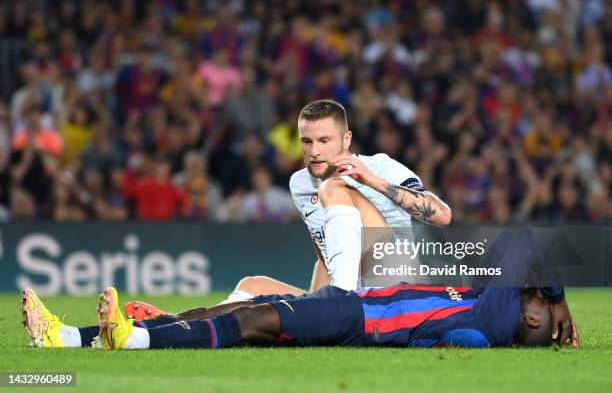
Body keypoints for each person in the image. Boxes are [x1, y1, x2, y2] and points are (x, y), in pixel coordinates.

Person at [21, 229, 579, 350]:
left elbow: (520, 242)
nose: (538, 293)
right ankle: (71, 337)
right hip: (355, 311)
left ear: (531, 318)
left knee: (254, 319)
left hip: (354, 318)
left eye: (541, 301)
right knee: (235, 306)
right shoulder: (490, 314)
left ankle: (133, 341)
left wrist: (561, 298)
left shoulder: (499, 313)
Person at [220, 99, 452, 303]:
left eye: (324, 140)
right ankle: (188, 327)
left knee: (333, 187)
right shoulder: (300, 183)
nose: (314, 151)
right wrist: (313, 306)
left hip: (396, 288)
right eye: (307, 141)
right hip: (351, 289)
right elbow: (326, 256)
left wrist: (374, 182)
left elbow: (442, 215)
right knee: (252, 286)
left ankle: (342, 301)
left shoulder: (381, 166)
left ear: (346, 139)